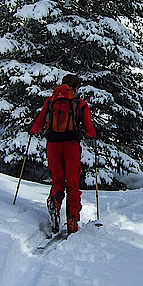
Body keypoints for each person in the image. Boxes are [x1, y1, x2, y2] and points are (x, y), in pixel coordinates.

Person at [30, 73, 96, 235]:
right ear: (76, 87)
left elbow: (39, 123)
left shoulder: (51, 101)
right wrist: (94, 134)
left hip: (52, 144)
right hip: (71, 145)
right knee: (72, 184)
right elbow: (89, 129)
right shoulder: (80, 104)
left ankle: (55, 203)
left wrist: (32, 131)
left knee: (57, 180)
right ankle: (72, 220)